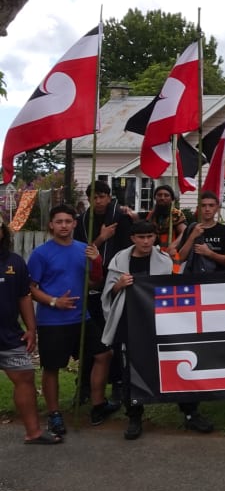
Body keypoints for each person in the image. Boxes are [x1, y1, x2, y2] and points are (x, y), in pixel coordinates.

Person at [101, 220, 212, 438]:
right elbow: (109, 294)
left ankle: (190, 413)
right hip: (129, 323)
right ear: (133, 238)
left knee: (177, 364)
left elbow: (176, 291)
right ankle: (134, 416)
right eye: (141, 237)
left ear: (155, 237)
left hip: (160, 324)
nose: (145, 241)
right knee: (130, 370)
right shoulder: (119, 261)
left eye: (150, 236)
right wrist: (119, 285)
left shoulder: (164, 261)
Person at [28, 204, 119, 435]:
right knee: (52, 368)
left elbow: (94, 282)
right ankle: (54, 414)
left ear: (75, 224)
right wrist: (54, 301)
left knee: (103, 354)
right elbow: (31, 288)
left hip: (81, 317)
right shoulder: (41, 254)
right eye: (59, 221)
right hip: (52, 321)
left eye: (68, 221)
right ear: (51, 224)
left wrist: (97, 261)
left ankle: (98, 405)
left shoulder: (83, 249)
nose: (64, 226)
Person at [1, 218, 61, 444]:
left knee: (25, 376)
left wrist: (31, 328)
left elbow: (23, 297)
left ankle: (34, 432)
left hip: (9, 335)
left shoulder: (14, 262)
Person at [74, 180, 133, 403]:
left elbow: (132, 245)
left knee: (116, 337)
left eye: (102, 196)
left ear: (109, 197)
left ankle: (117, 382)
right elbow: (80, 251)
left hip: (116, 283)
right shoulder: (81, 222)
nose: (98, 201)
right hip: (89, 285)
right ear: (88, 199)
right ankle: (84, 385)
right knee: (91, 338)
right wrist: (101, 238)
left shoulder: (121, 217)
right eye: (94, 197)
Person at [175, 191, 225, 272]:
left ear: (217, 208)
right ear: (198, 208)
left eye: (211, 205)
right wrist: (192, 236)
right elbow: (179, 259)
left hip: (216, 280)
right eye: (203, 205)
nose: (207, 209)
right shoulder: (191, 228)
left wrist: (209, 253)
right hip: (193, 280)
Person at [139, 184, 186, 253]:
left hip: (169, 253)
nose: (162, 198)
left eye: (166, 195)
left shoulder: (176, 214)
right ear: (155, 197)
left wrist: (174, 245)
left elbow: (184, 232)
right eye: (159, 195)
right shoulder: (150, 215)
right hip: (151, 253)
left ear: (172, 199)